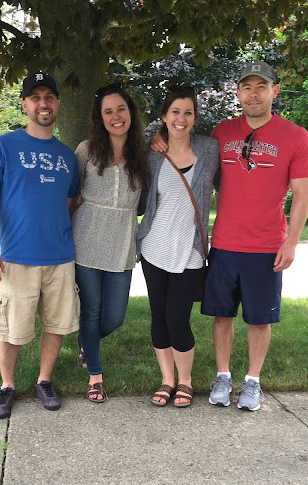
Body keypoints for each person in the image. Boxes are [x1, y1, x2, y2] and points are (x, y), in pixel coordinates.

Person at [203, 61, 308, 410]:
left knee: (260, 318)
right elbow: (204, 171)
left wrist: (291, 242)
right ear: (238, 93)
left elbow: (302, 195)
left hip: (266, 246)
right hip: (224, 243)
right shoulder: (222, 131)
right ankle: (223, 376)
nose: (254, 94)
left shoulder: (295, 136)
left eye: (261, 87)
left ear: (274, 91)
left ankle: (252, 381)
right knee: (222, 315)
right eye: (247, 87)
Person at [0, 72, 80, 419]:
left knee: (56, 324)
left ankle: (44, 380)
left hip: (60, 257)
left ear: (58, 104)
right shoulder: (2, 146)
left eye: (49, 97)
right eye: (35, 98)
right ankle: (7, 386)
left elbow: (68, 204)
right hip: (17, 257)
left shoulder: (67, 156)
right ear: (24, 105)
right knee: (11, 328)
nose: (43, 104)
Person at [137, 85, 219, 408]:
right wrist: (153, 140)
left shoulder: (209, 149)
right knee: (158, 316)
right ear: (164, 116)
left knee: (177, 318)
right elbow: (143, 200)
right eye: (175, 112)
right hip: (154, 247)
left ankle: (185, 380)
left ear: (195, 117)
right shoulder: (153, 155)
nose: (181, 118)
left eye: (188, 112)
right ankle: (167, 379)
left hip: (191, 251)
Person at [72, 84, 147, 403]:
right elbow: (71, 195)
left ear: (130, 113)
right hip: (86, 239)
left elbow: (144, 203)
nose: (116, 116)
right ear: (100, 118)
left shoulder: (144, 155)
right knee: (91, 311)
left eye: (121, 109)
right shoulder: (86, 150)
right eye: (108, 111)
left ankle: (85, 342)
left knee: (115, 316)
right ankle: (95, 376)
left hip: (122, 243)